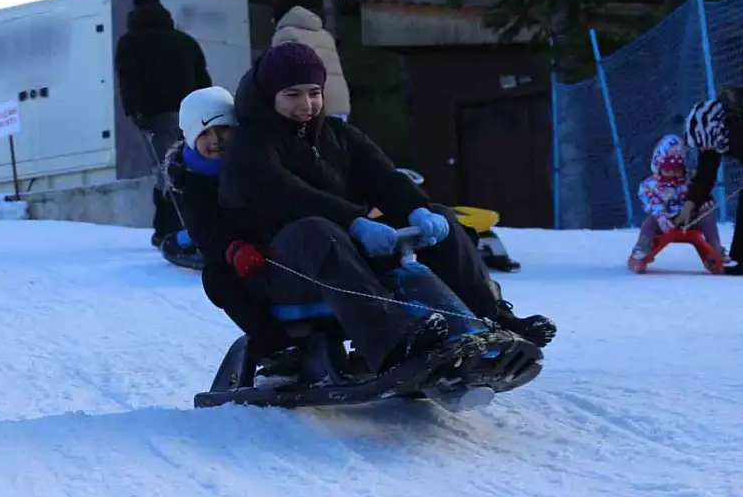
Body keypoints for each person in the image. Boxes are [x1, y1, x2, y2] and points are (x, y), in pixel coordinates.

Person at [217, 43, 555, 374]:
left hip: (345, 254)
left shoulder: (336, 134)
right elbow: (289, 196)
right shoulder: (247, 147)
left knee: (442, 217)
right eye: (292, 94)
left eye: (314, 92)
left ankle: (491, 319)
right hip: (282, 269)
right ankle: (391, 341)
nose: (306, 104)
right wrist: (355, 222)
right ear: (268, 96)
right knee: (316, 230)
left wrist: (416, 210)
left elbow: (382, 176)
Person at [164, 86, 297, 372]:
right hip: (241, 260)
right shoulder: (191, 182)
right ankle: (274, 345)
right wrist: (233, 248)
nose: (217, 140)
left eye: (224, 129)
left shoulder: (259, 162)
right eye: (204, 134)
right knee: (216, 278)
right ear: (190, 138)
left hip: (282, 245)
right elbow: (205, 229)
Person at [114, 0, 213, 246]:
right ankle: (197, 223)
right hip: (193, 115)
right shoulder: (185, 41)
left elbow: (129, 79)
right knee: (195, 166)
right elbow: (203, 79)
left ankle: (170, 229)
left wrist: (135, 111)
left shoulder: (130, 42)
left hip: (157, 116)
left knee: (167, 169)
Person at [629, 133, 724, 270]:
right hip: (664, 220)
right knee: (649, 223)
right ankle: (643, 247)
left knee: (707, 217)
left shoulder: (690, 181)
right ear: (658, 167)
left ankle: (715, 248)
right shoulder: (650, 185)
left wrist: (705, 204)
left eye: (677, 170)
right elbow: (650, 202)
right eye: (668, 170)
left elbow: (701, 193)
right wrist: (661, 216)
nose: (673, 174)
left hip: (689, 220)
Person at [677, 85, 743, 275]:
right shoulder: (714, 133)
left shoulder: (735, 130)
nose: (704, 151)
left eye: (704, 146)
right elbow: (706, 172)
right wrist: (689, 205)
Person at [271, 0, 350, 122]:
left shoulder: (286, 34)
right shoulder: (324, 34)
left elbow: (281, 74)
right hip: (339, 103)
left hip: (311, 107)